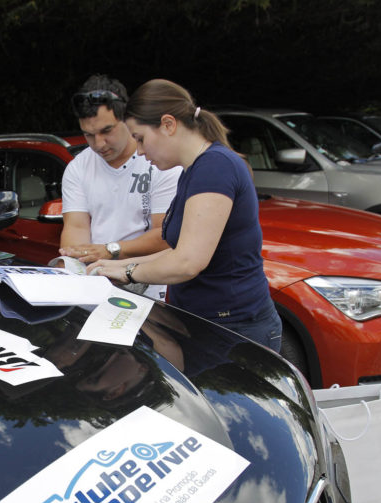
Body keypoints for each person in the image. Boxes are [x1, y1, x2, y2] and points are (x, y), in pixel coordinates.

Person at [86, 78, 282, 352]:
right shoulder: (195, 170)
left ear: (168, 124)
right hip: (208, 322)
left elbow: (188, 262)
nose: (140, 151)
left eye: (141, 139)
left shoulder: (214, 168)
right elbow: (178, 251)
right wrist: (114, 266)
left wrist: (129, 272)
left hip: (234, 330)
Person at [58, 75, 181, 300]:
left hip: (155, 288)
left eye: (107, 131)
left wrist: (110, 249)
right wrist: (74, 262)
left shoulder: (160, 161)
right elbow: (75, 228)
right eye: (88, 134)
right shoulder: (78, 168)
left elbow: (165, 235)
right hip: (98, 286)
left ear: (127, 119)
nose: (98, 144)